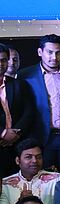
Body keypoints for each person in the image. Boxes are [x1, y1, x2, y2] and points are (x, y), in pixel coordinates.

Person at [19, 34, 60, 175]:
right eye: (49, 52)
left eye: (58, 53)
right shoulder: (26, 76)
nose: (54, 57)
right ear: (40, 52)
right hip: (40, 137)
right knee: (40, 178)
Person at [0, 138, 60, 204]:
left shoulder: (56, 179)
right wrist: (20, 203)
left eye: (38, 157)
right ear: (18, 161)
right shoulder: (5, 184)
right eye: (28, 157)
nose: (34, 161)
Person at [0, 43, 34, 176]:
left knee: (15, 186)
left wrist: (15, 134)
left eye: (3, 60)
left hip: (17, 144)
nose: (1, 64)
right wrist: (3, 133)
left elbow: (29, 112)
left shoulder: (18, 84)